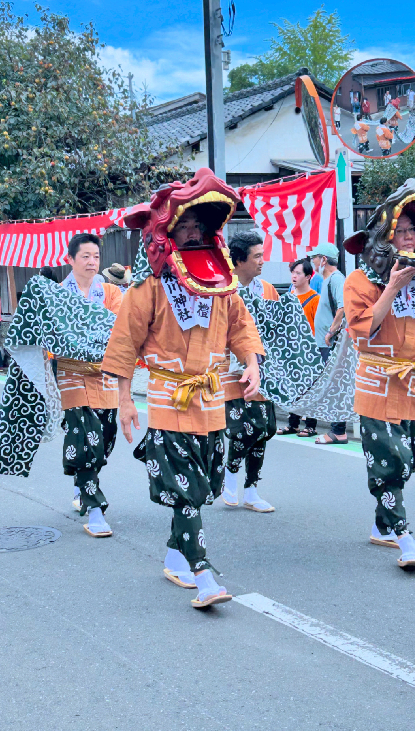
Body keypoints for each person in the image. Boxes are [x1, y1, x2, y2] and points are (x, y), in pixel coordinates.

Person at [102, 168, 264, 609]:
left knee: (204, 486)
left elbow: (241, 330)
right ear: (168, 231)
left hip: (212, 398)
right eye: (184, 225)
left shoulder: (222, 283)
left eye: (199, 225)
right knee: (187, 489)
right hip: (168, 398)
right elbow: (123, 346)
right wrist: (124, 403)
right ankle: (202, 571)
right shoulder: (147, 288)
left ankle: (175, 555)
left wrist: (251, 365)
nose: (192, 233)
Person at [343, 179, 415, 569]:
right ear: (385, 234)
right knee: (390, 459)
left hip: (414, 383)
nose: (408, 237)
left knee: (411, 459)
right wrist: (392, 286)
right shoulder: (360, 280)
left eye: (414, 230)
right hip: (377, 381)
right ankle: (403, 535)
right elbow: (364, 327)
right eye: (401, 231)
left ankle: (381, 524)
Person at [56, 233, 123, 537]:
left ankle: (82, 478)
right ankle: (95, 509)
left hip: (104, 374)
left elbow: (121, 329)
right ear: (70, 259)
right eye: (85, 256)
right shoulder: (57, 294)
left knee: (105, 438)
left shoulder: (110, 292)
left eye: (96, 256)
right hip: (71, 374)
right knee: (86, 437)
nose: (92, 261)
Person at [221, 230, 279, 513]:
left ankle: (252, 489)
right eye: (257, 256)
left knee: (265, 429)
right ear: (239, 260)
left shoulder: (268, 290)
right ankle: (230, 473)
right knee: (244, 428)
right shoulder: (221, 287)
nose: (262, 261)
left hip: (262, 369)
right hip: (230, 370)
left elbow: (280, 332)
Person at [309, 242, 348, 444]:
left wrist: (331, 331)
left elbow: (342, 308)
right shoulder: (327, 280)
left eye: (314, 257)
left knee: (335, 385)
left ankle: (338, 431)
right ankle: (336, 429)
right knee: (333, 385)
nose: (312, 261)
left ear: (323, 259)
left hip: (333, 343)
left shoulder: (336, 279)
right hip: (327, 343)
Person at [278, 258, 320, 438]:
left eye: (298, 273)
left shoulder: (315, 299)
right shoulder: (288, 297)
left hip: (308, 351)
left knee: (310, 389)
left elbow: (317, 328)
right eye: (292, 272)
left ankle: (311, 425)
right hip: (290, 349)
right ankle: (293, 424)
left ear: (308, 277)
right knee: (292, 388)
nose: (294, 276)